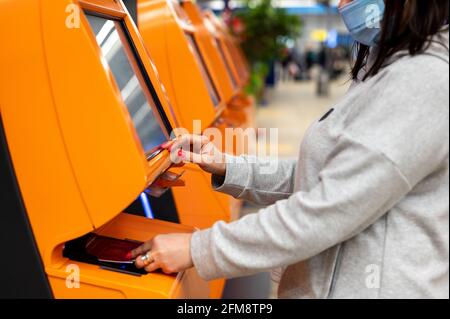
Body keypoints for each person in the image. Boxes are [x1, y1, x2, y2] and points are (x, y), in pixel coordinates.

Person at [131, 0, 449, 298]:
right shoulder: (391, 69)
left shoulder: (420, 80)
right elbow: (325, 176)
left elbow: (326, 211)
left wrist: (197, 249)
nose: (340, 4)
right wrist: (226, 164)